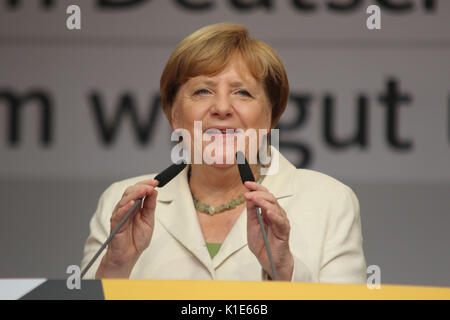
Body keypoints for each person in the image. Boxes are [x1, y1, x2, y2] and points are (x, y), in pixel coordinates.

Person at [81, 23, 366, 282]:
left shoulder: (330, 202)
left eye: (242, 93)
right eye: (203, 91)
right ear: (175, 116)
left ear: (268, 117)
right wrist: (116, 264)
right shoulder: (123, 202)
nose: (221, 107)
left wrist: (284, 270)